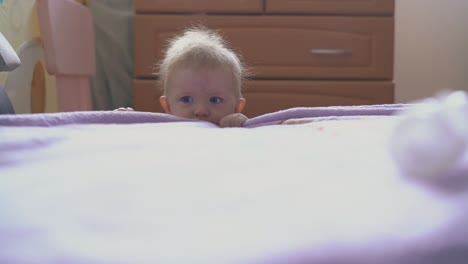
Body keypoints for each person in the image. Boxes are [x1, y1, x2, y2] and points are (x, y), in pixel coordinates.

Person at [117, 26, 248, 127]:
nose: (201, 111)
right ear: (167, 106)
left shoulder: (229, 129)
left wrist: (241, 125)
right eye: (186, 99)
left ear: (237, 107)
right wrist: (128, 121)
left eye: (215, 100)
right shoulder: (166, 128)